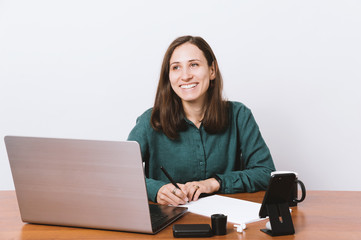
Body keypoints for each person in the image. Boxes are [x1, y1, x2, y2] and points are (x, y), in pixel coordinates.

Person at [128, 35, 275, 206]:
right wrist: (155, 190)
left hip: (226, 222)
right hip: (166, 223)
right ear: (169, 76)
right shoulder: (150, 120)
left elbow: (266, 173)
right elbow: (121, 174)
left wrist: (214, 183)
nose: (185, 76)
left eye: (194, 65)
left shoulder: (239, 115)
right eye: (176, 68)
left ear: (212, 70)